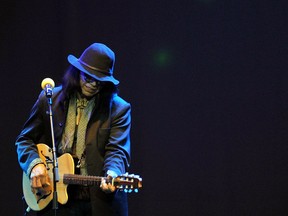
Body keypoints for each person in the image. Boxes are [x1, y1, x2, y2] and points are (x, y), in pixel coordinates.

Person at [15, 43, 131, 216]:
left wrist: (113, 172)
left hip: (97, 203)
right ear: (77, 72)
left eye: (99, 82)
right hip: (53, 197)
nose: (93, 84)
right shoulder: (50, 99)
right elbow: (24, 140)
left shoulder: (119, 109)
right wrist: (35, 166)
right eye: (88, 77)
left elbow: (118, 150)